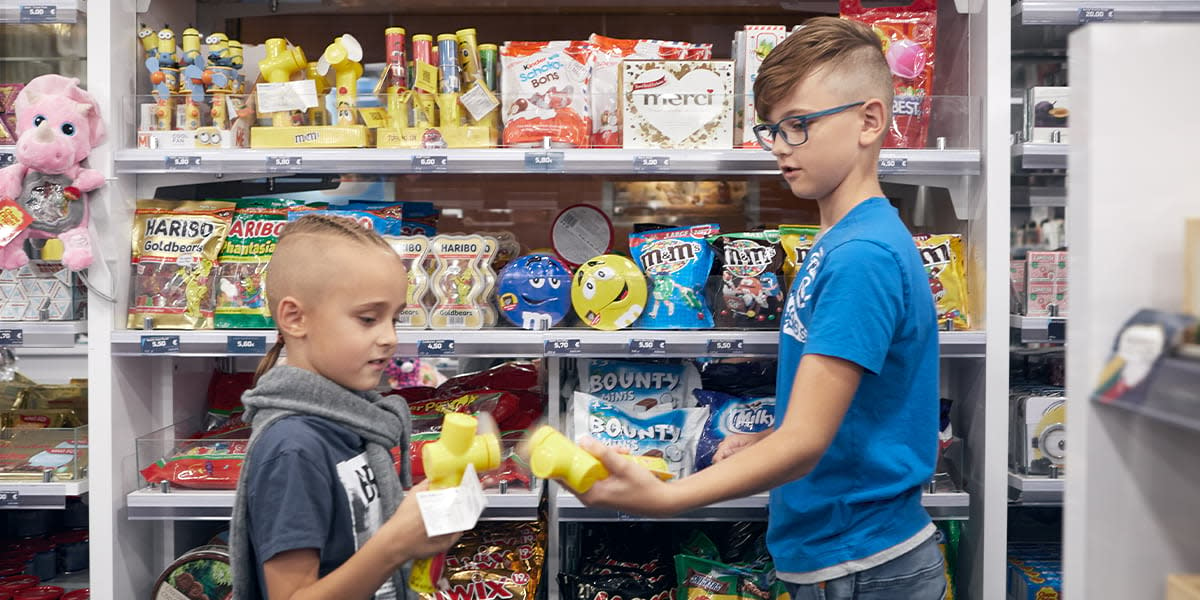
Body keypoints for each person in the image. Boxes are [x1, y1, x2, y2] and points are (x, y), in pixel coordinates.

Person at [574, 16, 945, 600]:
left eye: (798, 125)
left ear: (869, 121)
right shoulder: (843, 241)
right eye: (772, 127)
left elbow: (806, 442)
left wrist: (665, 497)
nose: (778, 145)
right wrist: (769, 434)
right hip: (842, 553)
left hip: (857, 564)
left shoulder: (861, 256)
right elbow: (839, 414)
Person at [229, 215, 459, 600]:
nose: (389, 337)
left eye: (395, 317)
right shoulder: (294, 449)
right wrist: (395, 545)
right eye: (368, 319)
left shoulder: (352, 421)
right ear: (295, 318)